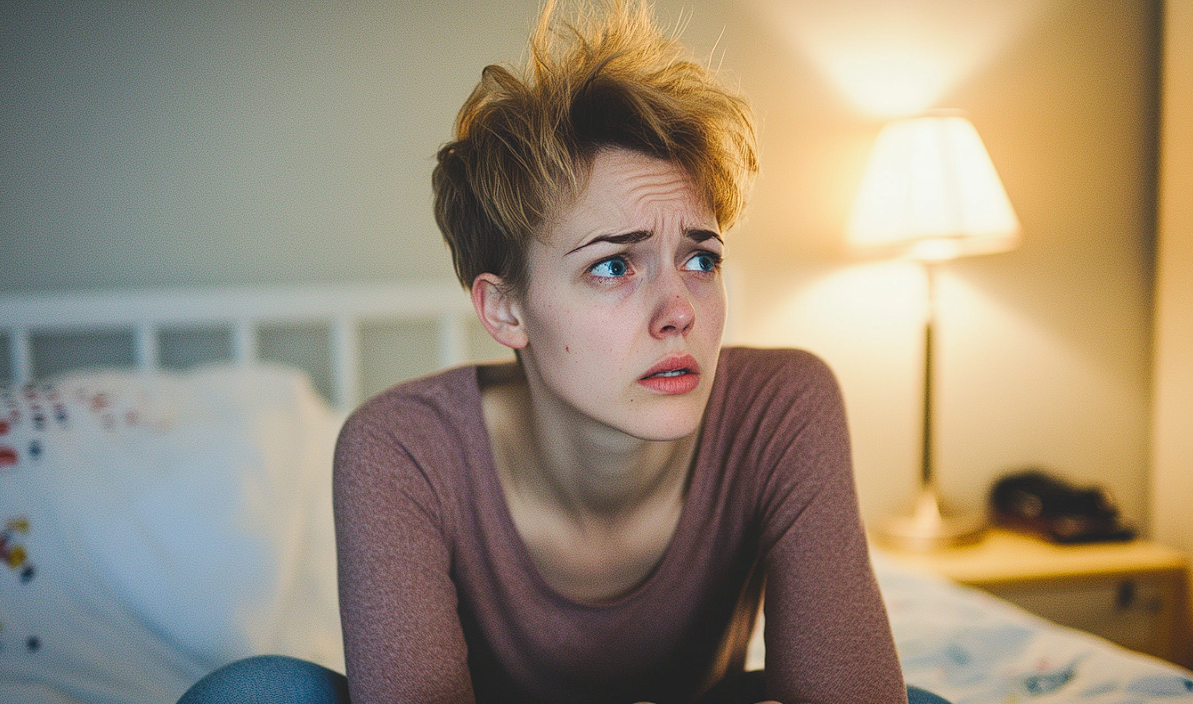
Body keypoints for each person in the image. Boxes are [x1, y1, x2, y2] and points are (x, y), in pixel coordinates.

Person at [178, 1, 951, 702]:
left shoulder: (782, 403)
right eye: (612, 265)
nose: (679, 310)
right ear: (505, 308)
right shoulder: (401, 449)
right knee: (257, 694)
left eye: (700, 258)